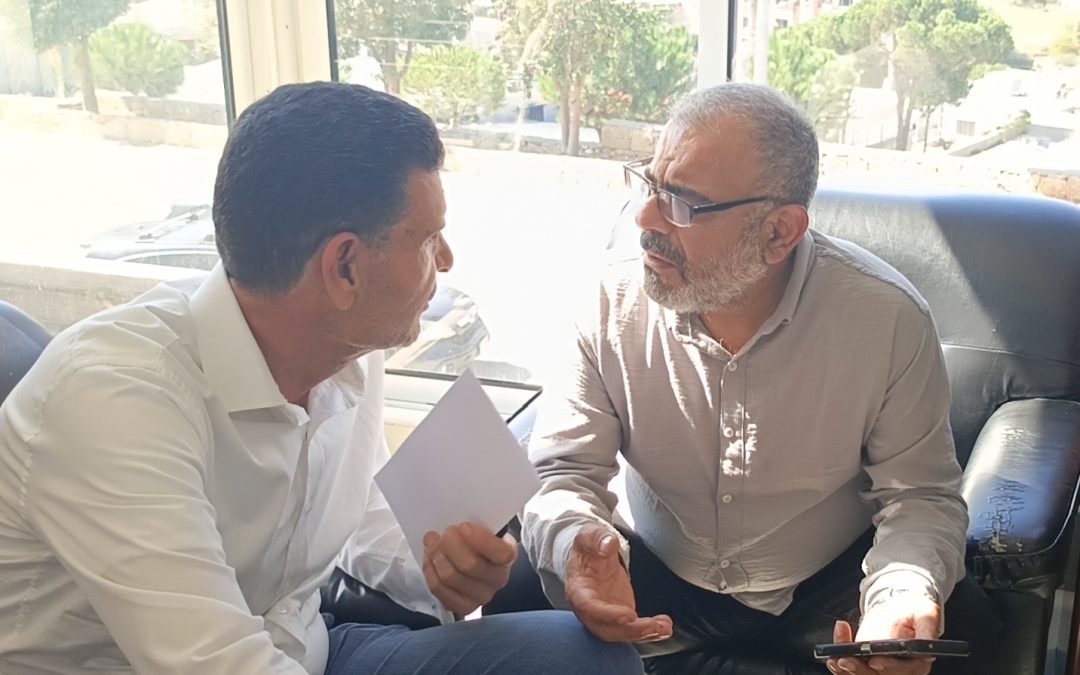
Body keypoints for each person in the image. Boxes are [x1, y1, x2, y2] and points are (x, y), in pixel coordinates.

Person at [0, 82, 643, 675]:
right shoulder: (113, 399)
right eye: (428, 239)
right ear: (345, 268)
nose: (447, 260)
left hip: (306, 648)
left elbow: (362, 520)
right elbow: (217, 664)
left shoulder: (346, 350)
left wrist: (443, 560)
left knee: (587, 661)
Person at [515, 83, 1001, 675]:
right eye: (649, 184)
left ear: (779, 233)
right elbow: (563, 472)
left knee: (958, 631)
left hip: (832, 586)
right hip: (652, 573)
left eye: (681, 203)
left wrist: (900, 593)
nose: (643, 218)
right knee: (521, 590)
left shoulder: (887, 318)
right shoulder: (606, 302)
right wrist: (576, 545)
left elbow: (920, 495)